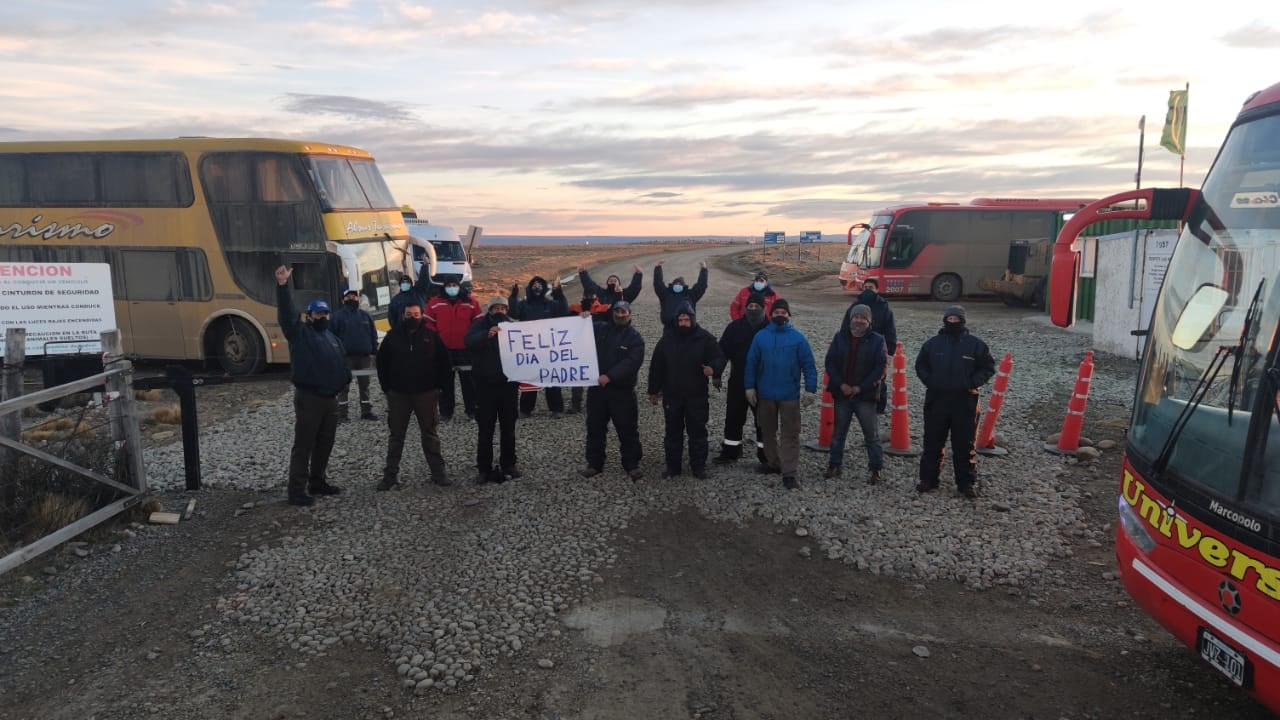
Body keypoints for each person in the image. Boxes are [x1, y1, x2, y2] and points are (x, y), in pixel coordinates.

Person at [274, 265, 350, 506]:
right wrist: (283, 286)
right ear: (309, 316)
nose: (323, 317)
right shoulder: (300, 334)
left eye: (326, 313)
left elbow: (341, 362)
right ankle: (296, 490)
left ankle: (317, 481)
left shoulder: (331, 337)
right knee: (304, 445)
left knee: (325, 444)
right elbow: (287, 315)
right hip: (309, 398)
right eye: (318, 314)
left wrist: (344, 380)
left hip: (330, 399)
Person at [914, 305, 996, 499]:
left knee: (965, 444)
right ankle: (928, 479)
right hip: (937, 399)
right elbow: (920, 365)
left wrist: (972, 383)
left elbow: (988, 367)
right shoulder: (932, 344)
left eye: (956, 319)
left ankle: (966, 483)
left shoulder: (976, 345)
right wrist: (930, 381)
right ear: (944, 320)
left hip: (965, 400)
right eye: (949, 319)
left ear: (963, 320)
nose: (952, 322)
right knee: (932, 442)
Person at [374, 297, 453, 490]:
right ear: (403, 316)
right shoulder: (392, 337)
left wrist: (440, 387)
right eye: (409, 315)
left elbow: (444, 362)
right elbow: (381, 363)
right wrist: (387, 388)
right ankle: (390, 476)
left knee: (430, 434)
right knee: (396, 436)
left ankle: (438, 472)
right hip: (399, 395)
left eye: (416, 314)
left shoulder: (432, 336)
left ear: (422, 315)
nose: (412, 317)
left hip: (426, 394)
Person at [744, 298, 817, 490]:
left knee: (790, 434)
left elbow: (808, 365)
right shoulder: (760, 337)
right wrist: (749, 386)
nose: (780, 315)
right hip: (766, 395)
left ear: (788, 315)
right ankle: (774, 463)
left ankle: (789, 473)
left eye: (783, 312)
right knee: (767, 432)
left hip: (789, 396)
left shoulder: (798, 338)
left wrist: (810, 389)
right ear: (771, 314)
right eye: (776, 312)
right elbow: (751, 363)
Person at [647, 302, 725, 479]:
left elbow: (719, 357)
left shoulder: (705, 338)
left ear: (692, 319)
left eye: (686, 319)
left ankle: (698, 467)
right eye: (680, 320)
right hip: (672, 395)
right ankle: (673, 467)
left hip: (696, 395)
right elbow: (656, 366)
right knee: (672, 433)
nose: (683, 323)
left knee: (697, 433)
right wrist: (653, 390)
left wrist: (713, 368)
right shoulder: (666, 339)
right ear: (676, 321)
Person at [580, 301, 645, 481]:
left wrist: (610, 376)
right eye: (617, 311)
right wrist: (582, 320)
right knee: (595, 428)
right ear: (613, 312)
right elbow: (578, 333)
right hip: (597, 390)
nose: (621, 314)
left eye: (624, 311)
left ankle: (632, 464)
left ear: (630, 314)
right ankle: (594, 464)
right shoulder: (600, 329)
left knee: (627, 429)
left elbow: (632, 363)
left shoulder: (635, 338)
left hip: (622, 392)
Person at [824, 304, 888, 483]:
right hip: (842, 393)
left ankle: (876, 469)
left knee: (871, 435)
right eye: (856, 317)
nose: (859, 321)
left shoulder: (877, 340)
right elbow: (830, 362)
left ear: (869, 321)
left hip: (865, 396)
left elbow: (881, 368)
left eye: (863, 318)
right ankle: (834, 464)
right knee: (838, 433)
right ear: (850, 318)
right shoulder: (840, 337)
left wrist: (861, 387)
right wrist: (840, 384)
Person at [465, 296, 521, 483]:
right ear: (489, 311)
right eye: (495, 308)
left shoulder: (515, 326)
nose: (499, 312)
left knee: (508, 428)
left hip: (509, 386)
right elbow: (469, 341)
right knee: (485, 429)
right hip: (485, 386)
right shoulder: (479, 326)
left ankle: (509, 464)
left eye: (503, 308)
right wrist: (486, 335)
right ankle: (483, 468)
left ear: (507, 310)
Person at [713, 292, 769, 465]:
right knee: (733, 417)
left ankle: (766, 454)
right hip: (738, 380)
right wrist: (717, 373)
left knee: (763, 420)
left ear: (764, 308)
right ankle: (731, 451)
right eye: (750, 306)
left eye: (757, 306)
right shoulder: (734, 327)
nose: (753, 309)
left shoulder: (770, 328)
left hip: (763, 383)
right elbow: (722, 352)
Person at [508, 275, 571, 418]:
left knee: (552, 380)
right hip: (530, 350)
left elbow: (564, 310)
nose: (537, 287)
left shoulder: (551, 304)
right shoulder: (523, 305)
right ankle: (525, 409)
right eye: (534, 285)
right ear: (529, 288)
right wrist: (513, 297)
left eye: (540, 284)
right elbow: (514, 313)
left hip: (549, 349)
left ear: (544, 288)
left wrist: (559, 293)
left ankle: (556, 408)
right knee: (530, 379)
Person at [425, 278, 484, 422]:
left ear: (459, 287)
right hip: (443, 350)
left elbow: (479, 323)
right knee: (445, 383)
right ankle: (446, 413)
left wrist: (472, 338)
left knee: (470, 383)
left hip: (466, 349)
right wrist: (436, 338)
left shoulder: (471, 302)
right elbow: (427, 322)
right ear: (444, 287)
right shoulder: (435, 302)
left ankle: (472, 411)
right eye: (449, 285)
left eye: (454, 285)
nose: (452, 287)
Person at [846, 278, 898, 413]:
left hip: (878, 349)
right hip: (857, 346)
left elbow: (890, 331)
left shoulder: (884, 307)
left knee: (879, 378)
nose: (868, 289)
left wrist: (890, 353)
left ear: (877, 290)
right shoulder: (854, 306)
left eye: (871, 287)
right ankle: (857, 403)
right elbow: (845, 327)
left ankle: (879, 407)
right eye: (866, 287)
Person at [330, 287, 378, 422]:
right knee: (343, 387)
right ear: (343, 299)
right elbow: (332, 337)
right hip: (345, 358)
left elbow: (373, 335)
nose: (352, 298)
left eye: (354, 296)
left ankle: (366, 412)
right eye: (348, 296)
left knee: (365, 386)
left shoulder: (366, 316)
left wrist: (374, 352)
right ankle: (342, 414)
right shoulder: (337, 316)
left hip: (364, 357)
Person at [567, 290, 612, 414]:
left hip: (598, 346)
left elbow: (612, 319)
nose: (588, 297)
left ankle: (597, 403)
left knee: (597, 373)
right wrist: (578, 316)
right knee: (578, 374)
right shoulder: (574, 308)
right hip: (580, 347)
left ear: (596, 296)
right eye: (586, 295)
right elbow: (563, 321)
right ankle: (576, 403)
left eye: (591, 295)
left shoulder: (603, 308)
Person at [652, 260, 709, 328]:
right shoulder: (665, 294)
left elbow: (701, 286)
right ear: (672, 285)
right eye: (676, 284)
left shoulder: (690, 295)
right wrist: (658, 268)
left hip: (687, 328)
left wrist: (704, 269)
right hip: (669, 328)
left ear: (683, 286)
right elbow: (658, 283)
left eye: (680, 284)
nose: (677, 285)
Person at [578, 264, 643, 321]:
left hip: (617, 323)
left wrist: (638, 274)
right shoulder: (600, 292)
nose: (612, 281)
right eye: (610, 280)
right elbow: (589, 285)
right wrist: (583, 273)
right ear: (607, 283)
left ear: (619, 284)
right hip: (600, 323)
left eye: (615, 280)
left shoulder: (624, 294)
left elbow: (634, 288)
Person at [389, 265, 434, 332]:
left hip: (421, 329)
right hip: (403, 332)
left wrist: (425, 266)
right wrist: (397, 330)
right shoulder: (395, 300)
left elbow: (424, 280)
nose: (405, 284)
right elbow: (391, 317)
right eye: (403, 282)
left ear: (411, 284)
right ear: (400, 285)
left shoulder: (418, 293)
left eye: (407, 282)